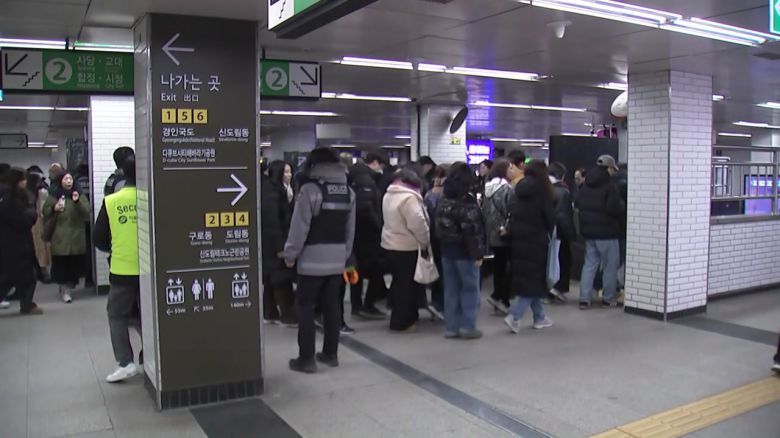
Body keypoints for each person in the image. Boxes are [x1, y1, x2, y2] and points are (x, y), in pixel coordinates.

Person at [284, 147, 356, 374]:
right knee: (332, 306)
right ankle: (330, 354)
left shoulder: (310, 191)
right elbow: (350, 231)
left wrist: (290, 255)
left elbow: (299, 228)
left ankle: (306, 359)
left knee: (305, 307)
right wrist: (343, 256)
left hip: (311, 263)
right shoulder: (348, 192)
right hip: (337, 261)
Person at [93, 157, 142, 382]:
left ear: (123, 174)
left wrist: (115, 249)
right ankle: (151, 356)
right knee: (148, 315)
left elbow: (99, 238)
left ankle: (125, 362)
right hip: (150, 270)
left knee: (117, 315)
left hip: (122, 269)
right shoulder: (151, 200)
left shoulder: (111, 201)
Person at [436, 163, 486, 339]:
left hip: (447, 251)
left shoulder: (443, 197)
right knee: (470, 289)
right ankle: (468, 327)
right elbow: (471, 229)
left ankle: (451, 328)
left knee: (451, 290)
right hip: (465, 253)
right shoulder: (467, 200)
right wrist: (478, 253)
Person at [504, 160, 555, 333]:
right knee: (534, 281)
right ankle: (515, 316)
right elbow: (549, 217)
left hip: (518, 240)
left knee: (531, 280)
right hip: (536, 241)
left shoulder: (519, 188)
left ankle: (539, 317)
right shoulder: (543, 191)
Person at [382, 169, 430, 332]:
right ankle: (401, 322)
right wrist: (425, 241)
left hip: (390, 245)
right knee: (407, 286)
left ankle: (399, 317)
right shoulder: (409, 198)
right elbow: (418, 223)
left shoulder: (389, 194)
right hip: (407, 247)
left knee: (398, 283)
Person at [575, 155, 625, 310]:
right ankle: (608, 299)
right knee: (610, 267)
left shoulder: (585, 185)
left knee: (589, 265)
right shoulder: (610, 186)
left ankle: (584, 299)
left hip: (589, 232)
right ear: (608, 168)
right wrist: (621, 206)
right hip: (607, 233)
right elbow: (613, 209)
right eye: (612, 169)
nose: (613, 172)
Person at [348, 152, 389, 320]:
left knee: (355, 270)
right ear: (375, 163)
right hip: (368, 235)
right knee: (376, 270)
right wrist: (379, 225)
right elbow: (365, 208)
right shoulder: (366, 180)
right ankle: (367, 305)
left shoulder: (355, 176)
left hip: (355, 233)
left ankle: (356, 305)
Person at [43, 171, 91, 303]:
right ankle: (65, 289)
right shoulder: (54, 195)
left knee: (74, 266)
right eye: (65, 179)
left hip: (76, 236)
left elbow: (87, 212)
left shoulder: (78, 194)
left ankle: (68, 287)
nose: (69, 181)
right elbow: (45, 211)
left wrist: (77, 202)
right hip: (59, 236)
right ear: (60, 181)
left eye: (70, 179)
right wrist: (54, 208)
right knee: (62, 266)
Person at [0, 167, 42, 315]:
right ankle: (27, 305)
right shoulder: (9, 199)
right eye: (23, 179)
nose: (25, 182)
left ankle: (27, 305)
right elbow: (22, 220)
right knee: (14, 278)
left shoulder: (16, 197)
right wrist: (31, 215)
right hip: (14, 243)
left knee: (20, 277)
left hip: (17, 243)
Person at [261, 160, 297, 327]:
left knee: (271, 279)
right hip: (275, 242)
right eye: (285, 172)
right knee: (282, 278)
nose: (289, 175)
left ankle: (270, 313)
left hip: (277, 240)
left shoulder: (286, 189)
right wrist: (281, 247)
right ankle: (288, 315)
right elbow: (272, 222)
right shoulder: (272, 192)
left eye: (290, 171)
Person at [482, 158, 514, 314]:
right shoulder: (507, 189)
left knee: (498, 266)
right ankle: (502, 298)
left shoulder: (487, 188)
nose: (512, 171)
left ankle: (497, 295)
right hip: (505, 233)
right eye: (510, 168)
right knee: (508, 266)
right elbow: (511, 211)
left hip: (492, 232)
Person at [548, 162, 576, 303]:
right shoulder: (563, 191)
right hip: (559, 232)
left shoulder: (543, 188)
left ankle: (548, 289)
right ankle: (558, 287)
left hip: (545, 231)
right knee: (563, 260)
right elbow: (564, 216)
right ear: (562, 175)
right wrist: (571, 234)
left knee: (549, 261)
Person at [423, 166, 447, 320]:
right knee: (445, 273)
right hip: (445, 238)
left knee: (437, 270)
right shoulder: (446, 195)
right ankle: (441, 306)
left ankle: (436, 303)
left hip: (432, 238)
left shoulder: (429, 194)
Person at [26, 171, 52, 283]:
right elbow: (44, 210)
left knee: (37, 248)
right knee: (45, 248)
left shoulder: (26, 193)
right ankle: (46, 274)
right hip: (42, 222)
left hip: (31, 223)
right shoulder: (43, 192)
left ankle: (40, 273)